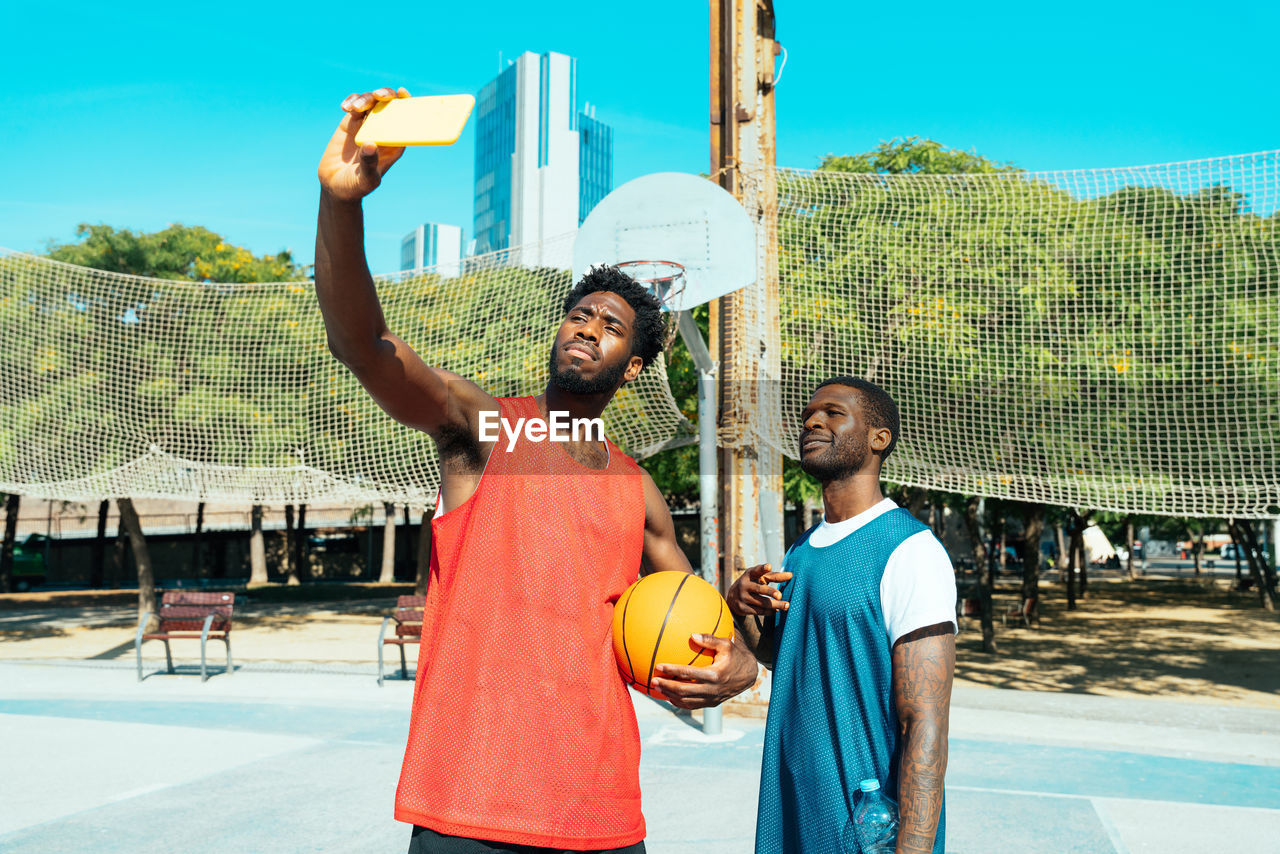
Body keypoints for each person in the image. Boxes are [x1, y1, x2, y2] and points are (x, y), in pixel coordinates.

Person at [314, 86, 760, 854]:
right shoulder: (491, 430)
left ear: (634, 369)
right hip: (471, 804)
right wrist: (341, 206)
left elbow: (693, 627)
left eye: (612, 325)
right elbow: (367, 347)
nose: (588, 327)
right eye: (579, 314)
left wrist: (744, 663)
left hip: (601, 810)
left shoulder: (639, 492)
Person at [728, 377, 956, 854]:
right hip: (792, 807)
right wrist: (742, 609)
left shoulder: (910, 550)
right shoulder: (801, 549)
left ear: (879, 438)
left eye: (833, 412)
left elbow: (926, 722)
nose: (812, 420)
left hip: (863, 826)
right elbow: (788, 659)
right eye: (809, 413)